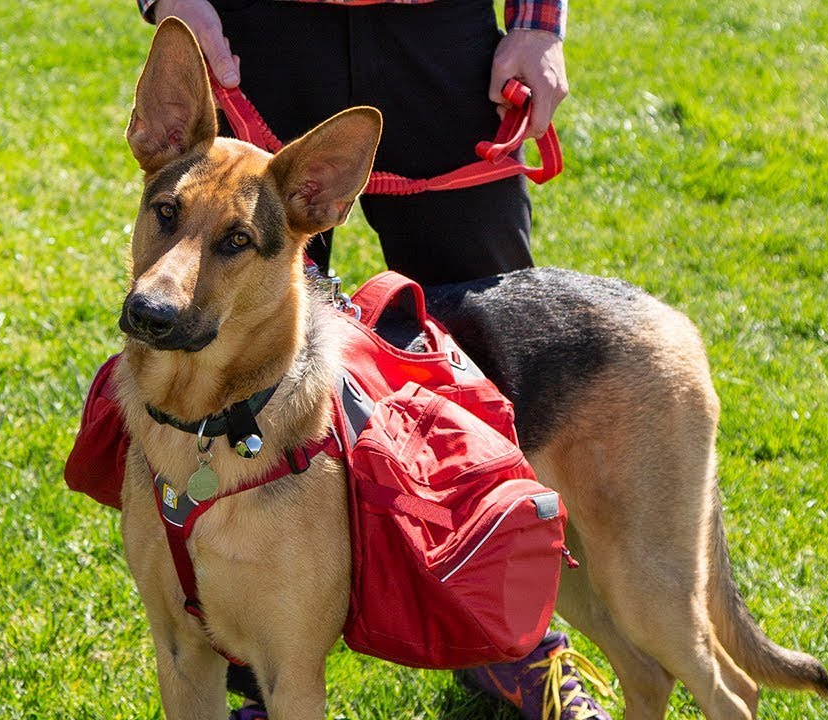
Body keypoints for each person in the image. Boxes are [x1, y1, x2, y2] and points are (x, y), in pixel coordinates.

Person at [66, 0, 614, 717]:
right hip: (262, 26)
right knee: (234, 341)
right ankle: (256, 662)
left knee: (486, 345)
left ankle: (509, 636)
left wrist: (539, 21)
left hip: (440, 34)